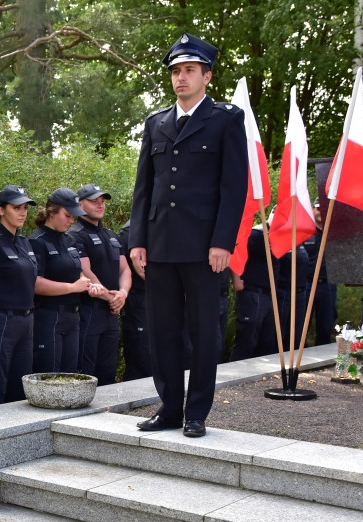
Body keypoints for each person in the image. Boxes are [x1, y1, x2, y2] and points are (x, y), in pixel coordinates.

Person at [128, 33, 248, 438]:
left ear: (207, 76)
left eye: (190, 71)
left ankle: (196, 412)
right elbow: (144, 188)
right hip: (159, 245)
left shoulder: (226, 120)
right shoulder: (155, 123)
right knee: (161, 330)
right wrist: (137, 241)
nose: (181, 78)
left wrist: (222, 242)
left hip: (203, 248)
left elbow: (234, 188)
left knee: (202, 331)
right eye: (176, 71)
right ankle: (169, 408)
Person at [30, 188, 99, 373]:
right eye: (67, 215)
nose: (71, 221)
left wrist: (87, 284)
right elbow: (36, 283)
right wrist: (73, 287)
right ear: (52, 212)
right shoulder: (37, 241)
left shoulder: (69, 240)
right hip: (50, 316)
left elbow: (76, 272)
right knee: (51, 375)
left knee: (70, 374)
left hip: (73, 316)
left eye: (73, 217)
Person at [70, 184, 132, 385]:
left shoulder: (111, 235)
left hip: (112, 311)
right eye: (94, 200)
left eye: (102, 201)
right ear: (80, 204)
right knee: (87, 369)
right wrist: (110, 297)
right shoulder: (75, 234)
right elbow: (85, 271)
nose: (100, 204)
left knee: (108, 367)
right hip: (90, 309)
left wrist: (122, 293)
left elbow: (125, 269)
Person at [0, 185, 38, 404]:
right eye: (17, 208)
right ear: (1, 210)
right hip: (1, 319)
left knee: (21, 383)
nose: (23, 212)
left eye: (25, 208)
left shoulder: (24, 242)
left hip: (26, 319)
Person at [230, 222, 280, 360]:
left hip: (269, 294)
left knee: (267, 342)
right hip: (252, 293)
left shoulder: (279, 237)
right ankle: (235, 375)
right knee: (247, 341)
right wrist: (236, 279)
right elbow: (235, 249)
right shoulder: (257, 234)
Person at [118, 220, 151, 380]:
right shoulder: (131, 230)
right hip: (140, 296)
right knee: (141, 354)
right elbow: (144, 270)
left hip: (160, 298)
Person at [304, 202, 337, 345]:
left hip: (327, 285)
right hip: (306, 284)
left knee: (326, 326)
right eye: (318, 208)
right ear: (312, 209)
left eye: (324, 208)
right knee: (301, 327)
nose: (321, 211)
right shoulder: (305, 232)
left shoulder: (335, 233)